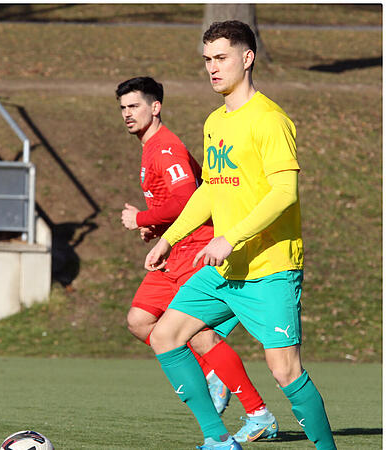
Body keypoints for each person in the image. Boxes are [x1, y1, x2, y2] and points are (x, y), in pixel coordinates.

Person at [145, 21, 335, 450]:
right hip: (225, 269)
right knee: (165, 335)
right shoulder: (215, 121)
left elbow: (285, 192)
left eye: (221, 58)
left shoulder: (270, 120)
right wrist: (170, 238)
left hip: (270, 268)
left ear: (247, 58)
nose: (212, 68)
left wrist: (231, 237)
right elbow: (211, 187)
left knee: (285, 370)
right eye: (207, 60)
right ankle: (218, 439)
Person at [117, 76, 278, 442]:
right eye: (123, 108)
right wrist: (157, 228)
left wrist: (141, 218)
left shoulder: (165, 148)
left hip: (196, 249)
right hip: (176, 250)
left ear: (155, 107)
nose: (127, 114)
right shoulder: (150, 147)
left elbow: (188, 195)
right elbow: (173, 204)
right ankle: (213, 375)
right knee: (140, 321)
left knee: (200, 335)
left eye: (135, 106)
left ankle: (255, 411)